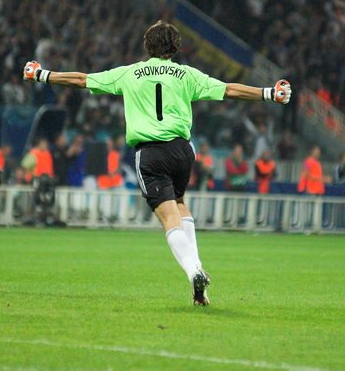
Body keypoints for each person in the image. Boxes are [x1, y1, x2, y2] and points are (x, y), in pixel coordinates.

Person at [23, 20, 291, 305]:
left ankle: (194, 271)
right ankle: (198, 280)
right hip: (182, 151)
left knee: (168, 218)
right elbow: (228, 90)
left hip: (150, 152)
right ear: (175, 47)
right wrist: (269, 93)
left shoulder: (130, 73)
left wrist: (42, 74)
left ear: (147, 45)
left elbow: (82, 80)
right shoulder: (186, 74)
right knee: (180, 203)